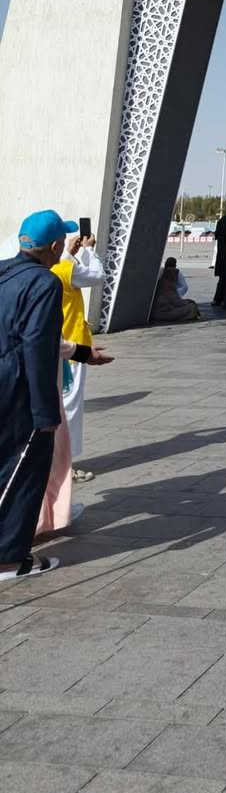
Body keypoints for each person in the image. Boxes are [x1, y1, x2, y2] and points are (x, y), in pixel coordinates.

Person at [0, 211, 75, 583]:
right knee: (24, 470)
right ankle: (8, 560)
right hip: (16, 389)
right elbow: (37, 346)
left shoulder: (3, 272)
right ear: (56, 246)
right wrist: (45, 413)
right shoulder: (44, 283)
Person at [51, 230, 105, 480]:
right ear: (55, 245)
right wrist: (89, 250)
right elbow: (97, 275)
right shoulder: (66, 269)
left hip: (53, 346)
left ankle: (56, 462)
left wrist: (70, 254)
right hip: (71, 346)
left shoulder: (48, 269)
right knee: (69, 406)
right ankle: (65, 466)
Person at [150, 257, 201, 323]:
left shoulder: (160, 276)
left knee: (190, 304)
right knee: (192, 307)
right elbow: (176, 301)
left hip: (159, 311)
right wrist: (188, 302)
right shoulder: (170, 284)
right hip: (162, 313)